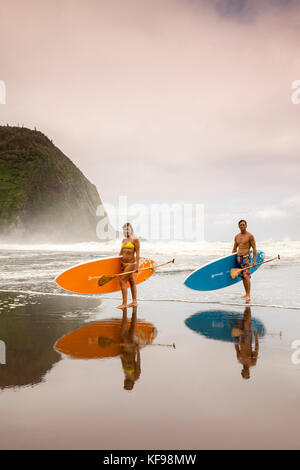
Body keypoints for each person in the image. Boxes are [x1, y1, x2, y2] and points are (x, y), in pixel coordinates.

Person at [232, 219, 257, 302]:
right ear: (238, 226)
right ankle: (246, 294)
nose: (242, 226)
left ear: (246, 226)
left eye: (243, 225)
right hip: (238, 258)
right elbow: (234, 249)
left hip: (246, 258)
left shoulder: (250, 236)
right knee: (243, 277)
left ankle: (248, 295)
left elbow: (254, 248)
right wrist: (231, 260)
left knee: (246, 276)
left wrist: (254, 261)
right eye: (240, 225)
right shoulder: (236, 236)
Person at [117, 222, 140, 309]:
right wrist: (118, 263)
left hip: (131, 264)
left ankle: (124, 303)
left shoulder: (135, 239)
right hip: (125, 264)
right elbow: (121, 253)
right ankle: (134, 301)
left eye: (128, 229)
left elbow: (137, 253)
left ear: (131, 230)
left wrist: (137, 266)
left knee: (122, 281)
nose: (126, 231)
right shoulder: (124, 240)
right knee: (131, 281)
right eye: (124, 229)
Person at [233, 307, 259, 380]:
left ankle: (247, 306)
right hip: (248, 339)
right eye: (247, 373)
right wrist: (256, 337)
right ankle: (248, 305)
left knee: (243, 320)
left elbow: (236, 347)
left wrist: (236, 336)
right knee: (247, 322)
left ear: (242, 371)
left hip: (241, 338)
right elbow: (256, 349)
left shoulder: (239, 359)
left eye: (245, 373)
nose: (246, 372)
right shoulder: (253, 363)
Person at [120, 306, 141, 391]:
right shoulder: (135, 377)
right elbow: (138, 363)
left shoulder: (126, 375)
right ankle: (126, 311)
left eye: (125, 385)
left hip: (124, 349)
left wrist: (120, 354)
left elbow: (123, 362)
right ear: (132, 385)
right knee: (124, 332)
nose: (126, 384)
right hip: (132, 350)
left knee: (131, 328)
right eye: (128, 386)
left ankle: (133, 310)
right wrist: (138, 350)